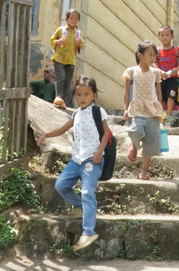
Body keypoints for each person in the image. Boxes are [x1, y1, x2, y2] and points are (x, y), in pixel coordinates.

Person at [36, 76, 109, 252]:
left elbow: (107, 133)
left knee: (87, 192)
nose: (82, 98)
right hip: (76, 160)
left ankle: (89, 232)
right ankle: (82, 207)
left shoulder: (98, 112)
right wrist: (45, 135)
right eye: (79, 94)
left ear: (94, 95)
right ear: (75, 96)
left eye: (87, 94)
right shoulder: (76, 115)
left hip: (92, 160)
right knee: (61, 185)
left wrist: (99, 153)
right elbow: (62, 129)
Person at [123, 40, 165, 180]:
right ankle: (134, 144)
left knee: (150, 142)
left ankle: (144, 171)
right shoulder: (131, 71)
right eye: (150, 55)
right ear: (140, 55)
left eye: (154, 55)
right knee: (136, 131)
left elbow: (159, 93)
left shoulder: (156, 73)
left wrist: (160, 109)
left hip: (152, 110)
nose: (153, 58)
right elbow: (126, 92)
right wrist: (125, 108)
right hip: (137, 108)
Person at [50, 8, 84, 105]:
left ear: (78, 20)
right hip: (59, 58)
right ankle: (58, 96)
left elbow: (81, 46)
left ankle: (63, 100)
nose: (73, 21)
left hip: (70, 60)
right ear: (67, 19)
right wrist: (58, 41)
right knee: (61, 77)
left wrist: (78, 43)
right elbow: (52, 40)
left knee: (68, 80)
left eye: (76, 19)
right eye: (71, 18)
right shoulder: (61, 30)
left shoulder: (78, 33)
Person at [156, 25, 179, 121]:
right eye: (162, 35)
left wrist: (176, 70)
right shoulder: (157, 51)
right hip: (161, 78)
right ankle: (161, 114)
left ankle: (169, 115)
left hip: (173, 78)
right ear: (159, 37)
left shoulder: (177, 50)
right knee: (161, 96)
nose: (165, 37)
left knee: (171, 95)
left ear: (172, 36)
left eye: (167, 35)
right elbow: (153, 63)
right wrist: (160, 71)